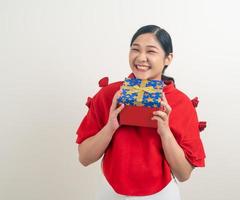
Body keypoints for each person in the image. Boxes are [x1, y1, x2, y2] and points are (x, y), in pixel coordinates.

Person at [76, 25, 206, 200]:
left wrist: (165, 132)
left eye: (151, 51)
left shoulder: (181, 103)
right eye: (135, 49)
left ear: (168, 58)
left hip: (161, 194)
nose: (141, 57)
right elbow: (84, 158)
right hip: (110, 192)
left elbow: (183, 174)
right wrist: (111, 126)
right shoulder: (109, 95)